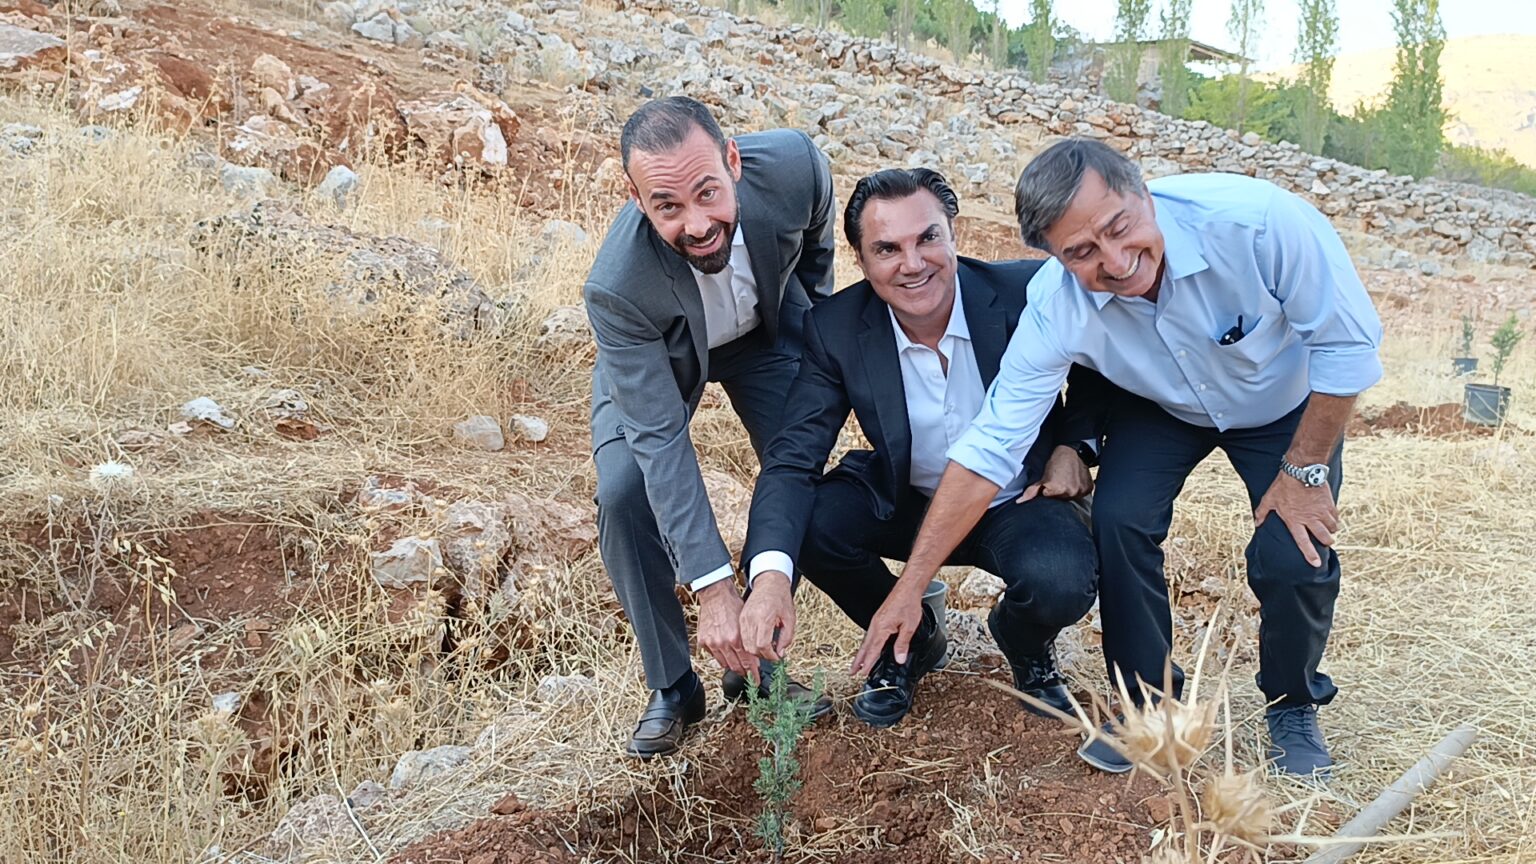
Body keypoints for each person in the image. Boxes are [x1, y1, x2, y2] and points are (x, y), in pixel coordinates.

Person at [852, 139, 1383, 779]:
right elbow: (992, 444)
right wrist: (911, 587)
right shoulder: (1055, 306)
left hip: (1285, 405)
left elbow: (1346, 347)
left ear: (1143, 192)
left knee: (1292, 550)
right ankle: (1146, 706)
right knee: (1118, 520)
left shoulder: (1259, 224)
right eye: (1081, 252)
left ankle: (1292, 704)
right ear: (1053, 257)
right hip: (1161, 408)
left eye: (1119, 226)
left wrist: (1304, 469)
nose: (1116, 260)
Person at [737, 168, 1109, 729]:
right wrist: (769, 578)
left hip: (1019, 500)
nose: (912, 264)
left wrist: (1075, 445)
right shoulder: (834, 328)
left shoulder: (1027, 291)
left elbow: (1097, 363)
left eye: (928, 237)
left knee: (1062, 579)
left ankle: (1024, 640)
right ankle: (909, 641)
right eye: (887, 248)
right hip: (907, 499)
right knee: (813, 521)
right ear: (861, 261)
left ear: (953, 233)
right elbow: (792, 458)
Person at [583, 97, 836, 759]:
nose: (696, 224)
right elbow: (661, 442)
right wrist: (712, 587)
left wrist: (817, 329)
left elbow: (816, 246)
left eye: (708, 194)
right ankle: (673, 685)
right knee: (624, 491)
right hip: (659, 356)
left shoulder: (796, 168)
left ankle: (756, 665)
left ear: (733, 161)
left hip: (763, 337)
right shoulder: (616, 286)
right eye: (667, 206)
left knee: (796, 467)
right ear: (635, 199)